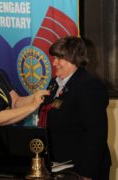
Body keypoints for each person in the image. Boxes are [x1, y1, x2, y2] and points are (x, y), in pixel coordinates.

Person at [38, 36, 111, 180]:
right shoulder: (55, 83)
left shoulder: (89, 86)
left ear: (74, 58)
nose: (54, 63)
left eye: (59, 58)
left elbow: (95, 134)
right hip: (59, 166)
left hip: (81, 169)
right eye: (54, 58)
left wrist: (86, 173)